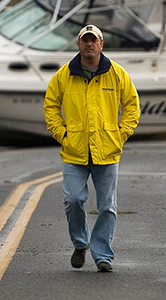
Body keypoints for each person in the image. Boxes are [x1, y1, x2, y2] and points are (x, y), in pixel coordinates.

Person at [44, 24, 140, 273]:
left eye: (93, 40)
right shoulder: (63, 75)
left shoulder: (117, 74)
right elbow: (51, 106)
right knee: (73, 200)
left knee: (107, 206)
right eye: (84, 40)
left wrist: (121, 134)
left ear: (101, 45)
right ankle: (80, 242)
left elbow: (132, 105)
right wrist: (62, 133)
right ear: (78, 44)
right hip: (74, 151)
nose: (89, 44)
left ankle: (103, 256)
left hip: (107, 151)